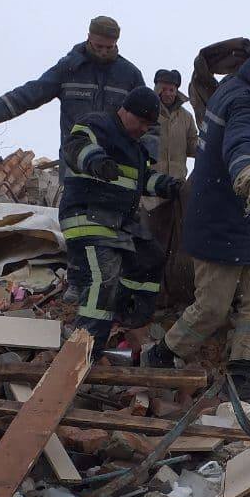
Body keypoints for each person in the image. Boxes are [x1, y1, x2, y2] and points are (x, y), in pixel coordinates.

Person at [141, 42, 250, 405]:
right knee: (213, 307)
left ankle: (242, 371)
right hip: (222, 222)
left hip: (246, 223)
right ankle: (163, 353)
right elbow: (242, 146)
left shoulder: (246, 92)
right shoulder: (246, 103)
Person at [59, 86, 181, 355]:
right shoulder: (97, 125)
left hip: (118, 222)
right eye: (141, 122)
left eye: (149, 125)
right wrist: (96, 161)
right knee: (103, 279)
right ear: (125, 111)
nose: (143, 129)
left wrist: (169, 185)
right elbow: (75, 146)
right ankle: (84, 350)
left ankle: (127, 315)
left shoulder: (135, 149)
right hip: (86, 216)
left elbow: (141, 182)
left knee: (151, 257)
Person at [0, 16, 144, 176]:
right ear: (89, 37)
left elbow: (148, 119)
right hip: (75, 167)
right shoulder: (69, 68)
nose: (103, 52)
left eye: (109, 47)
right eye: (99, 46)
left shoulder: (130, 75)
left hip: (114, 168)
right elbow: (34, 91)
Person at [149, 69, 198, 180]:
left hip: (177, 185)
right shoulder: (146, 112)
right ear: (157, 89)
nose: (168, 93)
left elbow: (192, 145)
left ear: (176, 91)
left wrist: (208, 146)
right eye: (164, 89)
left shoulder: (187, 117)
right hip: (150, 185)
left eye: (171, 90)